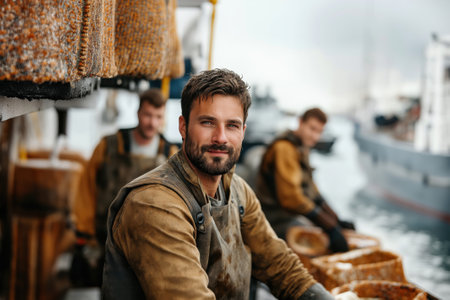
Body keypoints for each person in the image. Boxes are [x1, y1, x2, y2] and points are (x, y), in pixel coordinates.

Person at [102, 69, 334, 299]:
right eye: (207, 122)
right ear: (183, 127)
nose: (220, 137)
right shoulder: (154, 204)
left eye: (232, 125)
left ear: (243, 132)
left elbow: (280, 265)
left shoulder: (239, 192)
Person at [71, 88, 178, 286]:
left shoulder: (170, 154)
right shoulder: (109, 146)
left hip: (149, 246)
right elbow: (85, 189)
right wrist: (84, 234)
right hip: (104, 239)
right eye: (147, 115)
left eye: (158, 117)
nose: (152, 122)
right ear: (138, 113)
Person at [255, 108, 355, 253]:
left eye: (319, 132)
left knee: (332, 236)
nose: (315, 137)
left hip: (287, 216)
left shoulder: (301, 147)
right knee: (322, 246)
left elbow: (312, 191)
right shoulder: (284, 148)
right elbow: (292, 199)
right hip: (273, 219)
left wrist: (336, 221)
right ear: (300, 122)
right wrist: (330, 228)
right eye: (312, 129)